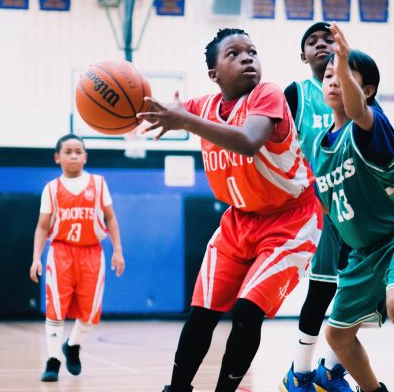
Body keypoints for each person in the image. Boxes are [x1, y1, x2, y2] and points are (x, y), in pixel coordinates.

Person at [137, 28, 323, 392]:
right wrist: (135, 108)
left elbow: (249, 142)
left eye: (252, 51)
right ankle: (177, 389)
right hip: (239, 220)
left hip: (291, 219)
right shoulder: (203, 107)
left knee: (247, 311)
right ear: (214, 74)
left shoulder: (266, 94)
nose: (247, 58)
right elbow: (166, 112)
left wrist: (184, 120)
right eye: (234, 54)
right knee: (202, 311)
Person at [311, 23, 394, 392]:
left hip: (392, 239)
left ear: (368, 89)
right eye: (328, 75)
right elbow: (328, 210)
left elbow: (358, 110)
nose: (333, 80)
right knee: (338, 336)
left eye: (343, 75)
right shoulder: (318, 145)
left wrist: (342, 62)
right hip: (362, 253)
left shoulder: (370, 125)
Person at [281, 22, 353, 392]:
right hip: (319, 208)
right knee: (323, 290)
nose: (322, 44)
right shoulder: (297, 94)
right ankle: (300, 371)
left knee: (357, 292)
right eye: (313, 41)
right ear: (303, 55)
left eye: (328, 39)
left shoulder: (357, 96)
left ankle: (331, 369)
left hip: (357, 210)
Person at [29, 134, 125, 382]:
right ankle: (52, 360)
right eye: (68, 151)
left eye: (78, 151)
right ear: (57, 157)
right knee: (55, 309)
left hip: (92, 253)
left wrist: (117, 250)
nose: (73, 155)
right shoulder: (51, 188)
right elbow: (42, 226)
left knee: (90, 312)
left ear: (85, 156)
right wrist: (36, 258)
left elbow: (111, 218)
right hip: (60, 252)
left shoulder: (99, 183)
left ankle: (72, 346)